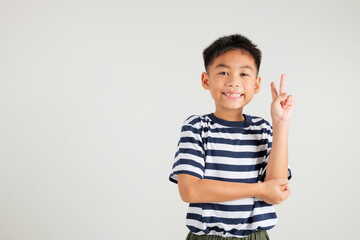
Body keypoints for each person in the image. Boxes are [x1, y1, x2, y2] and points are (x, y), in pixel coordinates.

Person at [169, 34, 294, 240]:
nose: (233, 82)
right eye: (224, 72)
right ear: (206, 80)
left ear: (256, 84)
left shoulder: (262, 129)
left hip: (255, 236)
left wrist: (281, 124)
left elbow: (277, 188)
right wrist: (260, 189)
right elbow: (190, 190)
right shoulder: (197, 127)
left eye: (244, 74)